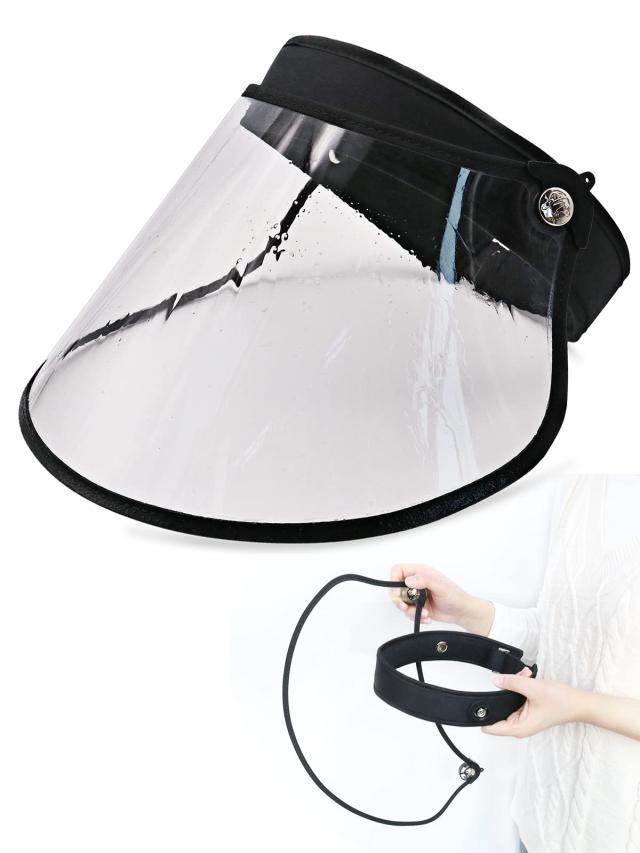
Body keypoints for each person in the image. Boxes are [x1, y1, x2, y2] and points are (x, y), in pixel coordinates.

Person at [391, 476, 640, 853]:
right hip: (539, 826)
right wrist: (468, 611)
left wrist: (581, 706)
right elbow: (570, 632)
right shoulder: (587, 483)